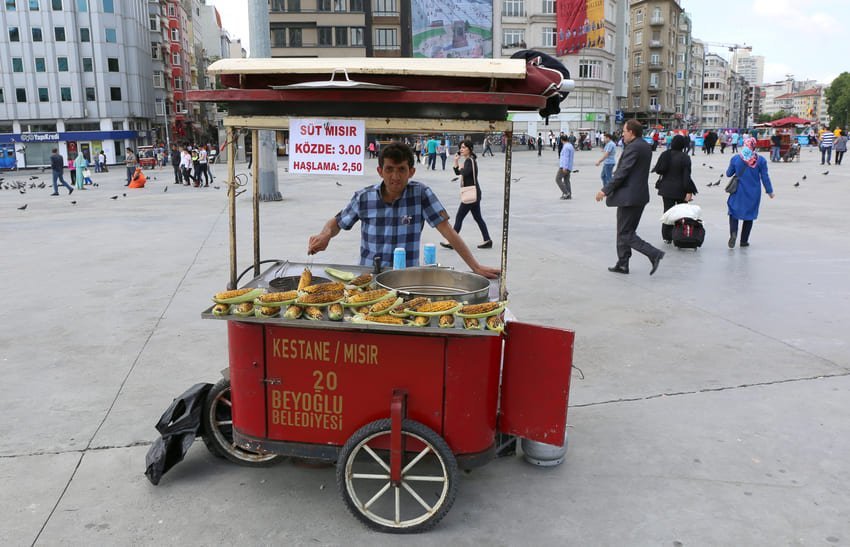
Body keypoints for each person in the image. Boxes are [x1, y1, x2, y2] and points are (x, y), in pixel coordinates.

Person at [307, 142, 499, 278]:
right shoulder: (364, 197)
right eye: (389, 169)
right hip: (368, 279)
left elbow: (448, 231)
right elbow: (337, 222)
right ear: (380, 171)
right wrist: (325, 236)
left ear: (411, 171)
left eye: (401, 169)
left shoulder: (421, 194)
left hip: (407, 280)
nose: (395, 176)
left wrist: (475, 266)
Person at [595, 119, 665, 275]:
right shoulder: (644, 146)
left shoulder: (634, 148)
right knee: (625, 230)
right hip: (637, 195)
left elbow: (622, 172)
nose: (623, 134)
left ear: (631, 132)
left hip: (630, 197)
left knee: (625, 233)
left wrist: (605, 190)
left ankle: (654, 254)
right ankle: (623, 263)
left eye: (624, 131)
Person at [439, 139, 492, 250]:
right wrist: (456, 162)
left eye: (464, 147)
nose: (461, 149)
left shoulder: (470, 161)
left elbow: (465, 173)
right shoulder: (468, 160)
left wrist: (461, 168)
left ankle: (452, 242)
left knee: (459, 217)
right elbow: (458, 173)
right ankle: (487, 240)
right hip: (474, 193)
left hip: (471, 194)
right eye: (461, 147)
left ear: (470, 149)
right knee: (478, 218)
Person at [726, 137, 775, 249]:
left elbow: (728, 173)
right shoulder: (761, 160)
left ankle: (733, 233)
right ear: (754, 146)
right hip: (753, 192)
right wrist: (770, 191)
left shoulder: (736, 158)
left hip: (737, 191)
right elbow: (765, 177)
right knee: (749, 215)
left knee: (733, 212)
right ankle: (744, 241)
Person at [652, 135, 698, 244]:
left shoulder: (665, 154)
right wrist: (689, 191)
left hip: (666, 188)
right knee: (681, 213)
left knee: (668, 211)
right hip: (680, 189)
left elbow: (659, 170)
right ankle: (679, 234)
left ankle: (667, 236)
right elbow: (687, 176)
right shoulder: (684, 157)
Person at [556, 134, 574, 200]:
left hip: (564, 166)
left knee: (558, 179)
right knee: (566, 180)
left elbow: (566, 157)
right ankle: (569, 194)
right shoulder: (570, 146)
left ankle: (566, 193)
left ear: (561, 140)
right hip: (569, 166)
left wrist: (564, 167)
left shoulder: (566, 147)